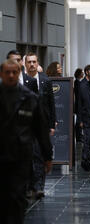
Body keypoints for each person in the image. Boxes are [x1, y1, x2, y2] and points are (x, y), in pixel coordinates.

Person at [0, 59, 53, 224]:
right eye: (8, 72)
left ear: (19, 73)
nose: (11, 75)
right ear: (2, 74)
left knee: (17, 197)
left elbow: (41, 130)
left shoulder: (30, 98)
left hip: (20, 157)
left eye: (15, 72)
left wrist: (48, 156)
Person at [25, 52, 56, 198]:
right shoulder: (23, 81)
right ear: (25, 64)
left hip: (42, 124)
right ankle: (31, 184)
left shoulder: (45, 81)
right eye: (29, 62)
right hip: (25, 126)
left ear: (38, 64)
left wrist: (52, 124)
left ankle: (39, 186)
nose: (32, 64)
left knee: (40, 155)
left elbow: (51, 104)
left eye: (34, 62)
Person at [74, 68, 84, 143]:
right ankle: (78, 136)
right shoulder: (77, 82)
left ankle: (80, 135)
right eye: (82, 72)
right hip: (78, 105)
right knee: (78, 121)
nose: (83, 74)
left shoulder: (79, 82)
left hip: (79, 104)